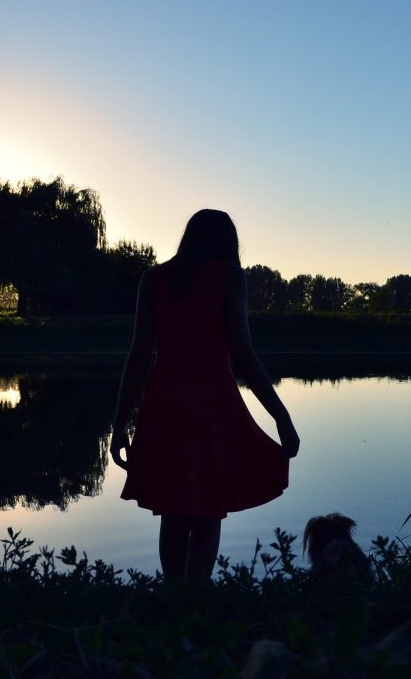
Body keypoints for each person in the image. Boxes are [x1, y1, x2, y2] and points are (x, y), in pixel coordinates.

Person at [110, 209, 300, 580]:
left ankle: (173, 594)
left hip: (164, 403)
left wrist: (118, 425)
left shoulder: (153, 278)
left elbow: (138, 355)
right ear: (227, 242)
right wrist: (282, 417)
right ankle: (196, 596)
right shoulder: (230, 277)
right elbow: (243, 355)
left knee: (173, 508)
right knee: (207, 508)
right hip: (212, 403)